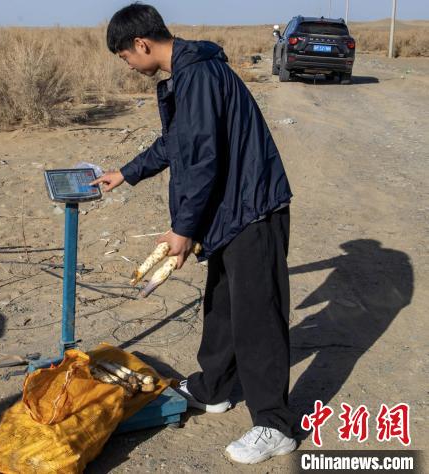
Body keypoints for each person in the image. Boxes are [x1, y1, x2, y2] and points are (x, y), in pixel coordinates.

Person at [92, 3, 298, 465]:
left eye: (125, 56)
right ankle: (214, 388)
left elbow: (203, 158)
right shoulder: (189, 72)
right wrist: (126, 173)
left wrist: (183, 230)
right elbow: (177, 142)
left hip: (252, 208)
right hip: (230, 211)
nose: (128, 65)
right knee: (222, 305)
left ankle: (275, 424)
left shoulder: (198, 75)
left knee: (258, 317)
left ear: (141, 44)